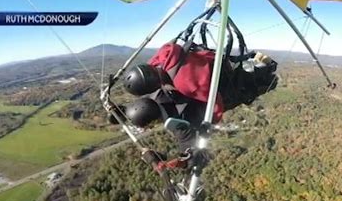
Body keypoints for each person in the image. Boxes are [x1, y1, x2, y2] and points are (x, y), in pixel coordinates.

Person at [113, 42, 278, 169]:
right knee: (250, 76)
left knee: (264, 81)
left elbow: (193, 148)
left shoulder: (174, 122)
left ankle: (266, 70)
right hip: (216, 66)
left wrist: (185, 160)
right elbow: (140, 108)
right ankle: (262, 67)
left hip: (224, 91)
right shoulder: (159, 85)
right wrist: (119, 113)